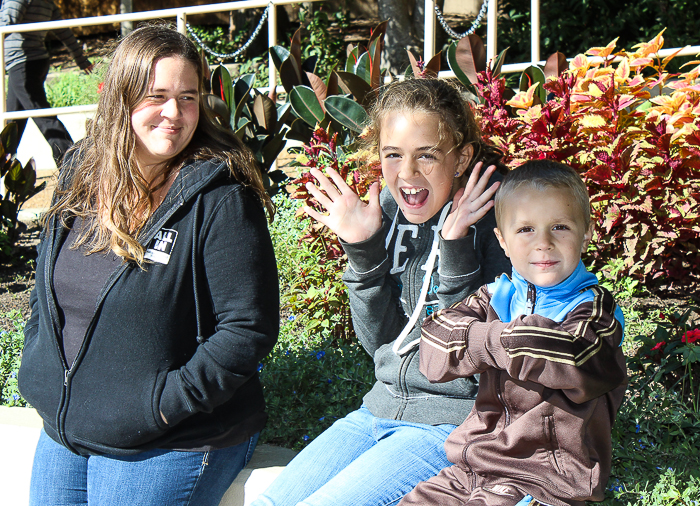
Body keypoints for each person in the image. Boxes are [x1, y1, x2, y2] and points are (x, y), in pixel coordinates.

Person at [18, 25, 279, 506]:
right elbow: (46, 283)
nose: (174, 114)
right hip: (68, 425)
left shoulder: (220, 196)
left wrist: (160, 406)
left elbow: (247, 328)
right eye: (156, 95)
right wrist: (39, 363)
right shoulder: (80, 171)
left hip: (173, 436)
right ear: (122, 96)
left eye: (188, 97)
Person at [251, 78, 511, 506]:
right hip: (377, 409)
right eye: (393, 155)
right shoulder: (390, 210)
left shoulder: (494, 216)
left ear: (461, 156)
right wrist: (363, 250)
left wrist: (456, 244)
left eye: (426, 155)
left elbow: (466, 358)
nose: (406, 174)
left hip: (454, 423)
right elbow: (380, 345)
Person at [401, 160, 628, 506]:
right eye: (525, 230)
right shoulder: (496, 296)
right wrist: (498, 339)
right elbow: (432, 345)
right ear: (503, 241)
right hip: (471, 467)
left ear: (587, 232)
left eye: (560, 227)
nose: (544, 243)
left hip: (545, 479)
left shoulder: (595, 310)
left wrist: (486, 339)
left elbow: (572, 356)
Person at [0, 0, 94, 164]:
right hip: (32, 63)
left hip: (23, 64)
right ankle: (4, 165)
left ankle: (72, 163)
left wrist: (81, 60)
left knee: (43, 117)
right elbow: (63, 31)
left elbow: (8, 21)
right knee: (13, 123)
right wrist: (81, 59)